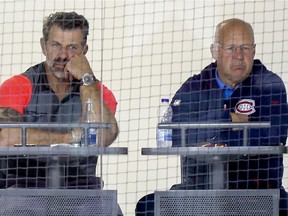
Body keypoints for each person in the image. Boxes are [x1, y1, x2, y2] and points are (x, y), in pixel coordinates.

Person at [136, 18, 288, 215]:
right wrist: (228, 119)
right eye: (231, 48)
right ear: (215, 51)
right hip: (200, 190)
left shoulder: (269, 84)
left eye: (245, 47)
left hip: (258, 193)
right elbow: (173, 133)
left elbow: (275, 135)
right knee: (147, 207)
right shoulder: (196, 85)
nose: (239, 56)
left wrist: (208, 133)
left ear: (254, 50)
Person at [0, 12, 119, 190]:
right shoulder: (19, 85)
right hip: (23, 188)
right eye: (56, 45)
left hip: (80, 190)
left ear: (84, 51)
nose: (62, 55)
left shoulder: (98, 92)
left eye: (72, 47)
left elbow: (105, 135)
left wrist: (87, 79)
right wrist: (70, 136)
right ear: (44, 46)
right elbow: (6, 137)